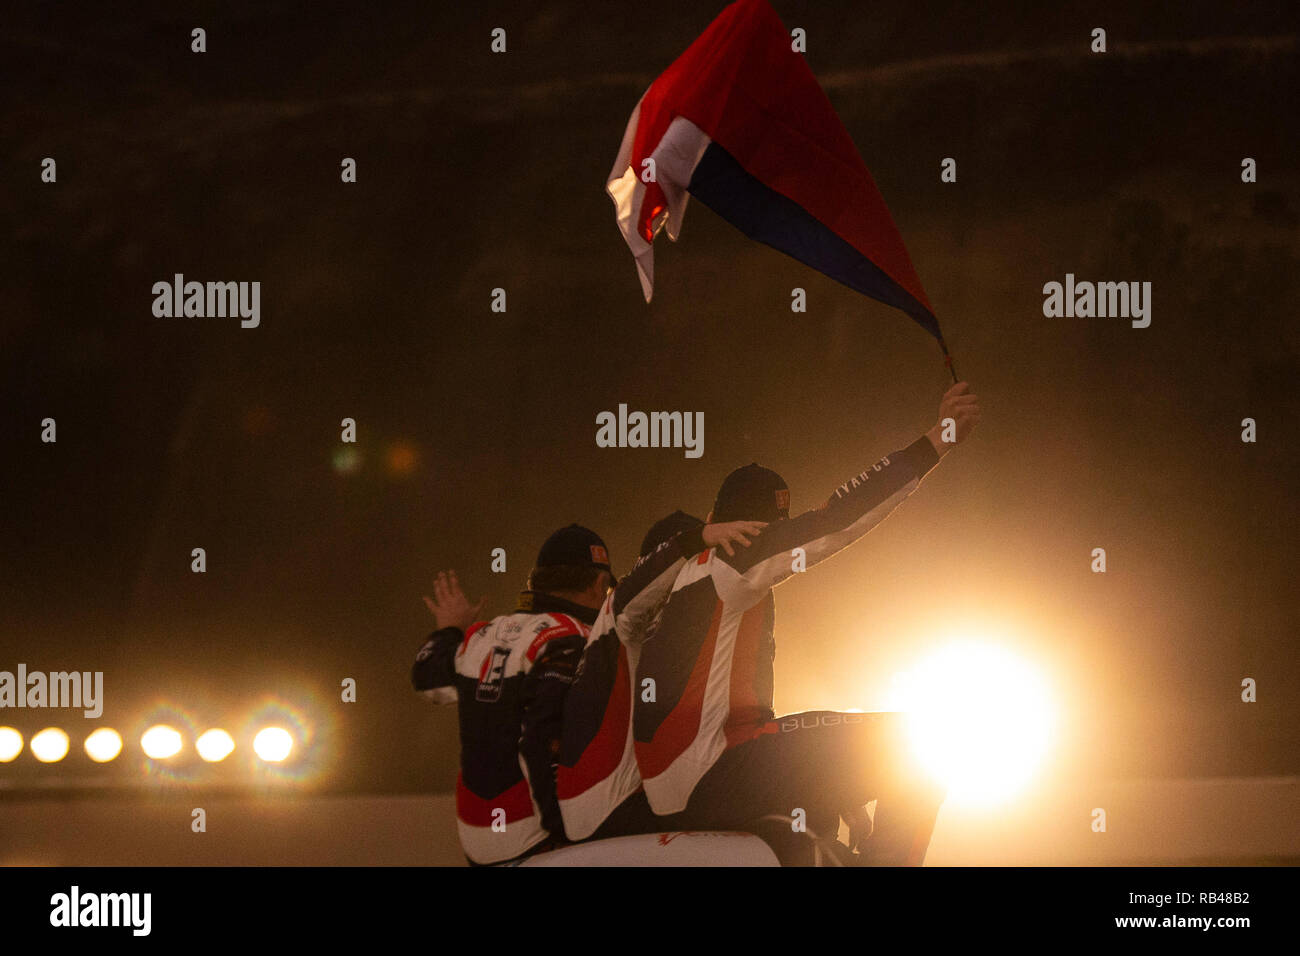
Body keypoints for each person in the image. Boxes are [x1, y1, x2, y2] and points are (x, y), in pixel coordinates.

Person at [629, 381, 981, 865]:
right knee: (916, 744)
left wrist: (841, 789)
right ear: (754, 526)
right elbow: (839, 519)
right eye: (778, 526)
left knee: (823, 788)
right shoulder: (736, 556)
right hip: (713, 772)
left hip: (680, 778)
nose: (779, 540)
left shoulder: (684, 581)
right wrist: (938, 439)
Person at [411, 524, 613, 865]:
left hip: (477, 837)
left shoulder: (482, 635)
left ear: (534, 581)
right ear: (599, 584)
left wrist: (449, 629)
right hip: (537, 840)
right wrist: (563, 834)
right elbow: (539, 742)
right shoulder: (578, 637)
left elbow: (428, 679)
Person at [557, 512, 765, 843]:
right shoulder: (641, 616)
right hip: (616, 812)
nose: (702, 571)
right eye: (699, 560)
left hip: (589, 813)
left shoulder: (610, 622)